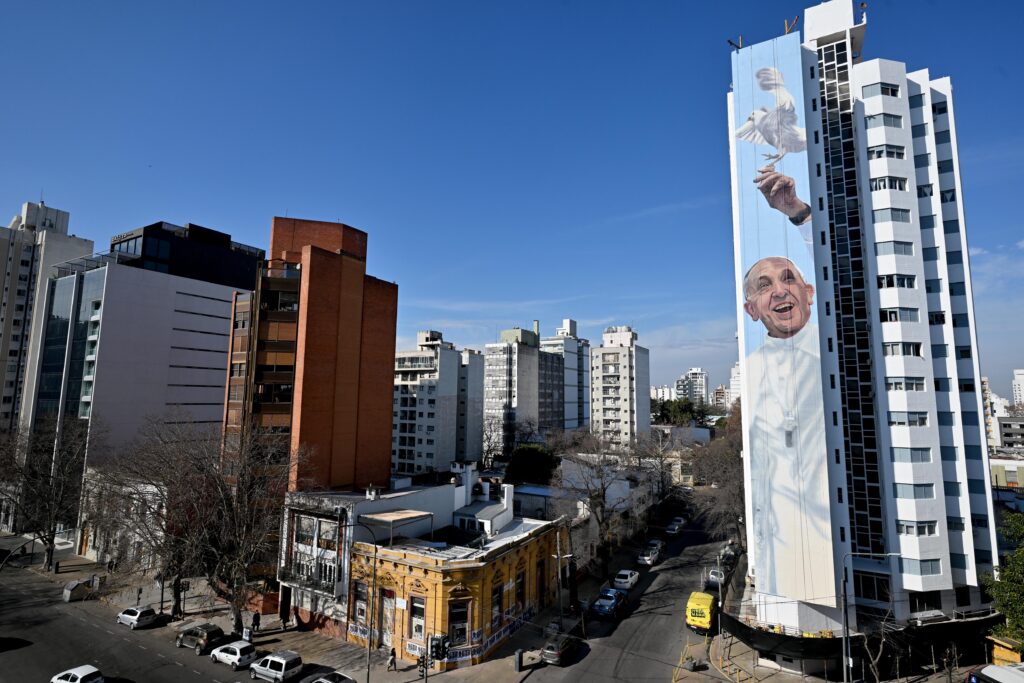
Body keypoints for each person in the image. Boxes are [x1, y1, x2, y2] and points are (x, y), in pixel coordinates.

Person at [742, 256, 832, 602]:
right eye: (765, 286)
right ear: (752, 310)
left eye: (788, 279)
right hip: (780, 539)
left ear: (809, 293)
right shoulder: (751, 372)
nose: (780, 291)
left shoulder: (836, 355)